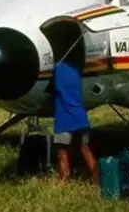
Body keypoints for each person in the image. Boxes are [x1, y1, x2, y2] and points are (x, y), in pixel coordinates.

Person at [52, 55, 100, 186]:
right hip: (80, 117)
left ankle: (64, 181)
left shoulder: (55, 68)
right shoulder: (77, 68)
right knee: (86, 150)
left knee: (63, 152)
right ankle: (97, 182)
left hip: (64, 119)